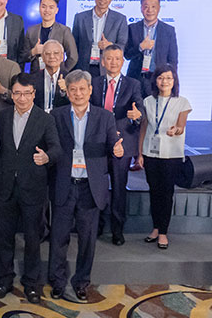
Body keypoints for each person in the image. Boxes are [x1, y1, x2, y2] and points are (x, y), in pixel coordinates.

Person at [48, 70, 123, 301]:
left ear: (90, 90)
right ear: (67, 92)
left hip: (90, 187)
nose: (78, 93)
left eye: (82, 89)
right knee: (58, 238)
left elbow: (113, 145)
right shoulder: (57, 115)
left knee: (87, 240)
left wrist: (117, 150)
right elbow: (51, 146)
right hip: (64, 183)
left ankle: (81, 282)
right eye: (73, 90)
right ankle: (57, 282)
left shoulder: (105, 117)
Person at [0, 73, 61, 304]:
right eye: (17, 93)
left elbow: (56, 149)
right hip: (5, 187)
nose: (22, 98)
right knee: (4, 238)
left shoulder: (45, 119)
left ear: (34, 94)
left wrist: (47, 157)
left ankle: (32, 284)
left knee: (32, 239)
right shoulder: (2, 116)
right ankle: (4, 280)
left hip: (33, 188)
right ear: (11, 94)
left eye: (26, 93)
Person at [90, 45, 143, 245]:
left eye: (117, 58)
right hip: (98, 142)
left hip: (123, 142)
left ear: (122, 61)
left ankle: (117, 230)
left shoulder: (133, 84)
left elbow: (139, 107)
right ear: (103, 61)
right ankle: (97, 225)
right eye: (109, 58)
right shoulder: (94, 83)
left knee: (119, 187)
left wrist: (137, 115)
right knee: (97, 186)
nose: (113, 62)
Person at [137, 65, 190, 250]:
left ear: (174, 81)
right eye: (161, 78)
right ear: (155, 81)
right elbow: (144, 128)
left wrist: (176, 130)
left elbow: (181, 125)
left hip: (171, 154)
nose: (164, 81)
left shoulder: (182, 102)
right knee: (154, 191)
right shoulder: (148, 101)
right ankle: (156, 227)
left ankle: (163, 232)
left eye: (168, 78)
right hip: (150, 153)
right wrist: (139, 153)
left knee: (166, 193)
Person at [125, 0, 179, 97]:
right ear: (141, 8)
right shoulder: (132, 28)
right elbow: (127, 55)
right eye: (146, 7)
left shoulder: (168, 30)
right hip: (135, 78)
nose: (149, 10)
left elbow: (173, 59)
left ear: (159, 8)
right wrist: (140, 47)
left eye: (153, 7)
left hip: (158, 80)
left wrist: (170, 81)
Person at [72, 0, 128, 77]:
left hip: (107, 68)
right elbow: (74, 45)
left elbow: (123, 45)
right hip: (83, 68)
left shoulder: (120, 19)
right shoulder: (80, 18)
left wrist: (110, 45)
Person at [21, 0, 78, 72]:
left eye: (51, 7)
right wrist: (33, 51)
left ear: (56, 10)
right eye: (43, 7)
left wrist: (61, 72)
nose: (47, 10)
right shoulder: (31, 31)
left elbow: (73, 57)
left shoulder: (64, 31)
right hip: (35, 75)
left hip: (56, 76)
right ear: (39, 8)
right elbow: (23, 57)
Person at [33, 40, 70, 113]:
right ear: (42, 57)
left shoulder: (70, 78)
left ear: (62, 57)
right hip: (40, 117)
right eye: (47, 53)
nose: (52, 56)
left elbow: (75, 102)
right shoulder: (33, 78)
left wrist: (66, 90)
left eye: (56, 53)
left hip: (61, 117)